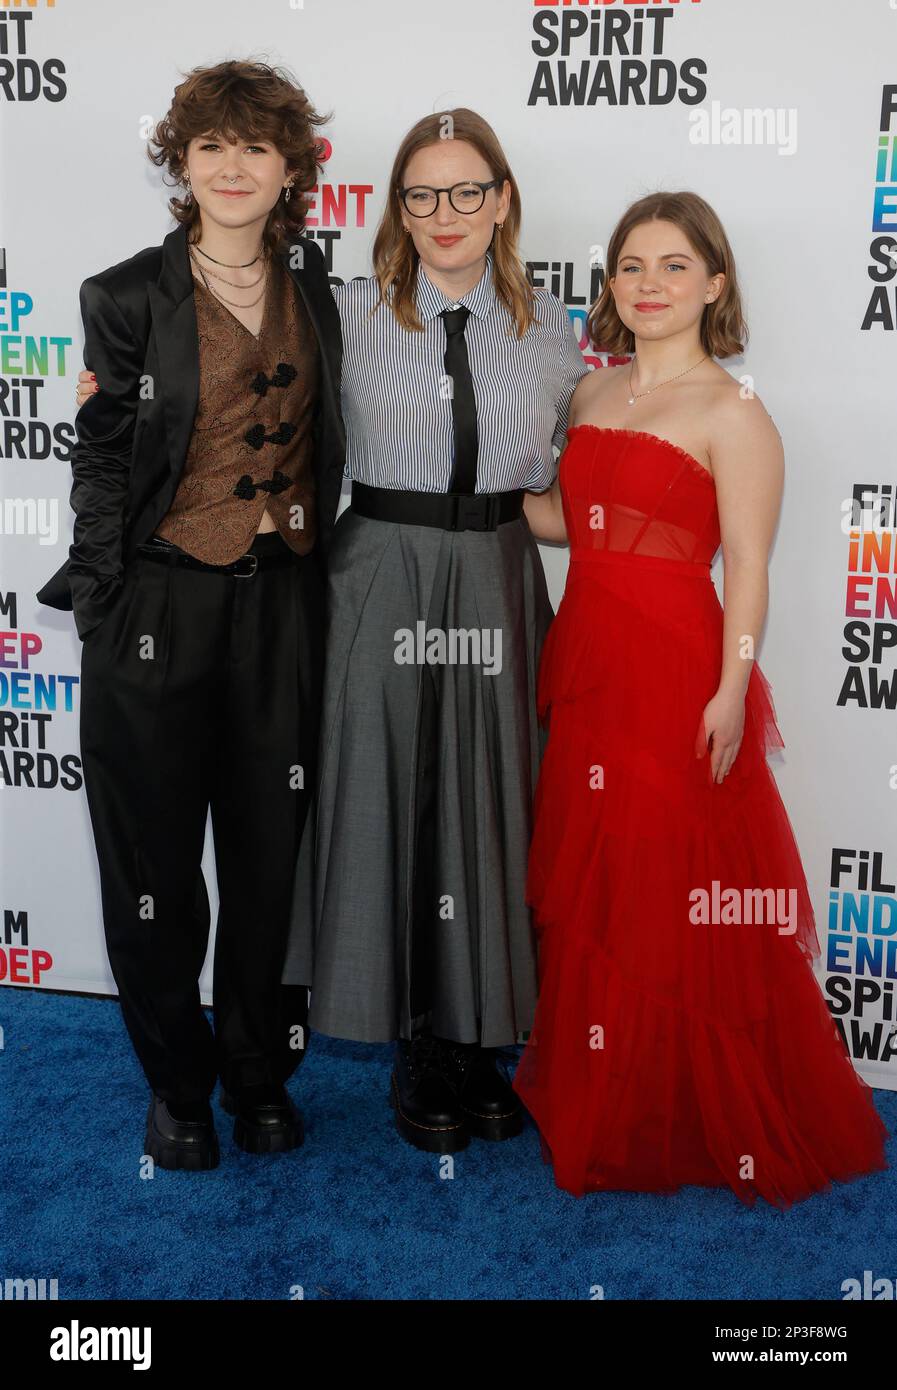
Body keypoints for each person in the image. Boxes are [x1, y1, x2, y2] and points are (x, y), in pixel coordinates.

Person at [514, 191, 889, 1206]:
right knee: (600, 880)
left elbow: (750, 569)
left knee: (671, 877)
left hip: (678, 669)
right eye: (632, 266)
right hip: (588, 661)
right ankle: (613, 1089)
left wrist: (732, 689)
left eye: (674, 265)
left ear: (715, 283)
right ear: (611, 284)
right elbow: (567, 523)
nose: (650, 285)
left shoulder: (735, 411)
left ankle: (684, 1106)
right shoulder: (591, 396)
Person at [41, 60, 345, 1170]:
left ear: (291, 168)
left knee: (272, 861)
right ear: (182, 161)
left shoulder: (320, 291)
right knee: (155, 868)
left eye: (255, 146)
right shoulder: (124, 295)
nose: (232, 166)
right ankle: (178, 1086)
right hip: (157, 605)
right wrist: (105, 602)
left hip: (285, 605)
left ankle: (260, 1073)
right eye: (211, 145)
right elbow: (103, 463)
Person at [281, 109, 589, 1154]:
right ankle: (415, 1037)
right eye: (422, 194)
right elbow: (240, 387)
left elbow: (593, 462)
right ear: (398, 209)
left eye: (466, 191)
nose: (444, 213)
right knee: (385, 797)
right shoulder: (343, 312)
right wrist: (121, 392)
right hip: (379, 570)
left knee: (491, 802)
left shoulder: (552, 329)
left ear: (502, 201)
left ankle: (475, 1035)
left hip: (498, 574)